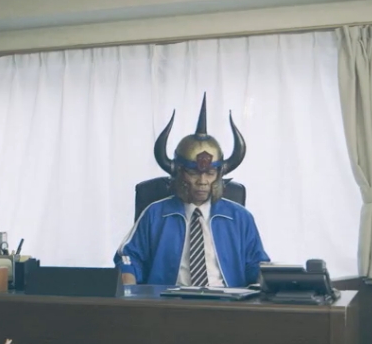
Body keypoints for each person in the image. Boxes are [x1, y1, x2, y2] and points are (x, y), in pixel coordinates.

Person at [115, 94, 269, 287]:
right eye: (194, 173)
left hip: (227, 300)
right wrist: (129, 289)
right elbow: (128, 256)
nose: (202, 181)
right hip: (167, 300)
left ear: (219, 174)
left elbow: (257, 263)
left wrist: (265, 279)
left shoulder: (240, 217)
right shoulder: (154, 214)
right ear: (179, 173)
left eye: (210, 173)